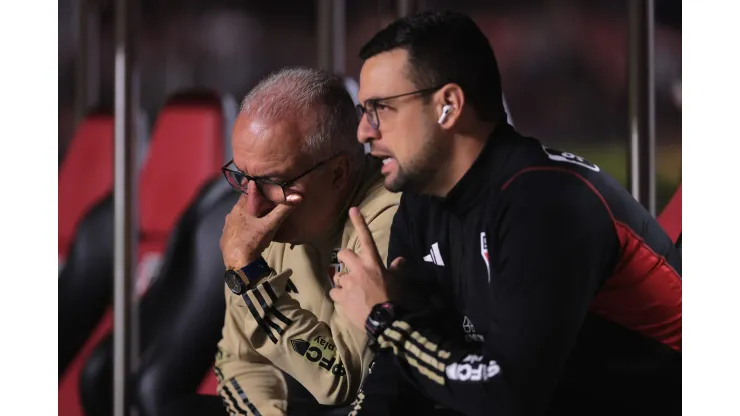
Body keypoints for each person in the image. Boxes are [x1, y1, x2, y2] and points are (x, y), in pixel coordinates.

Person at [330, 11, 682, 416]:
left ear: (448, 106)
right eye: (363, 111)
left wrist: (383, 321)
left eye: (381, 109)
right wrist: (393, 326)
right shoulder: (422, 200)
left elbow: (507, 395)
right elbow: (404, 371)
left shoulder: (546, 203)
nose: (364, 132)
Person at [202, 67, 400, 416]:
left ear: (338, 172)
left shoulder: (387, 217)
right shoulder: (264, 210)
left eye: (271, 181)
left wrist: (249, 278)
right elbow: (238, 362)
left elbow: (339, 380)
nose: (252, 206)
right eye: (241, 176)